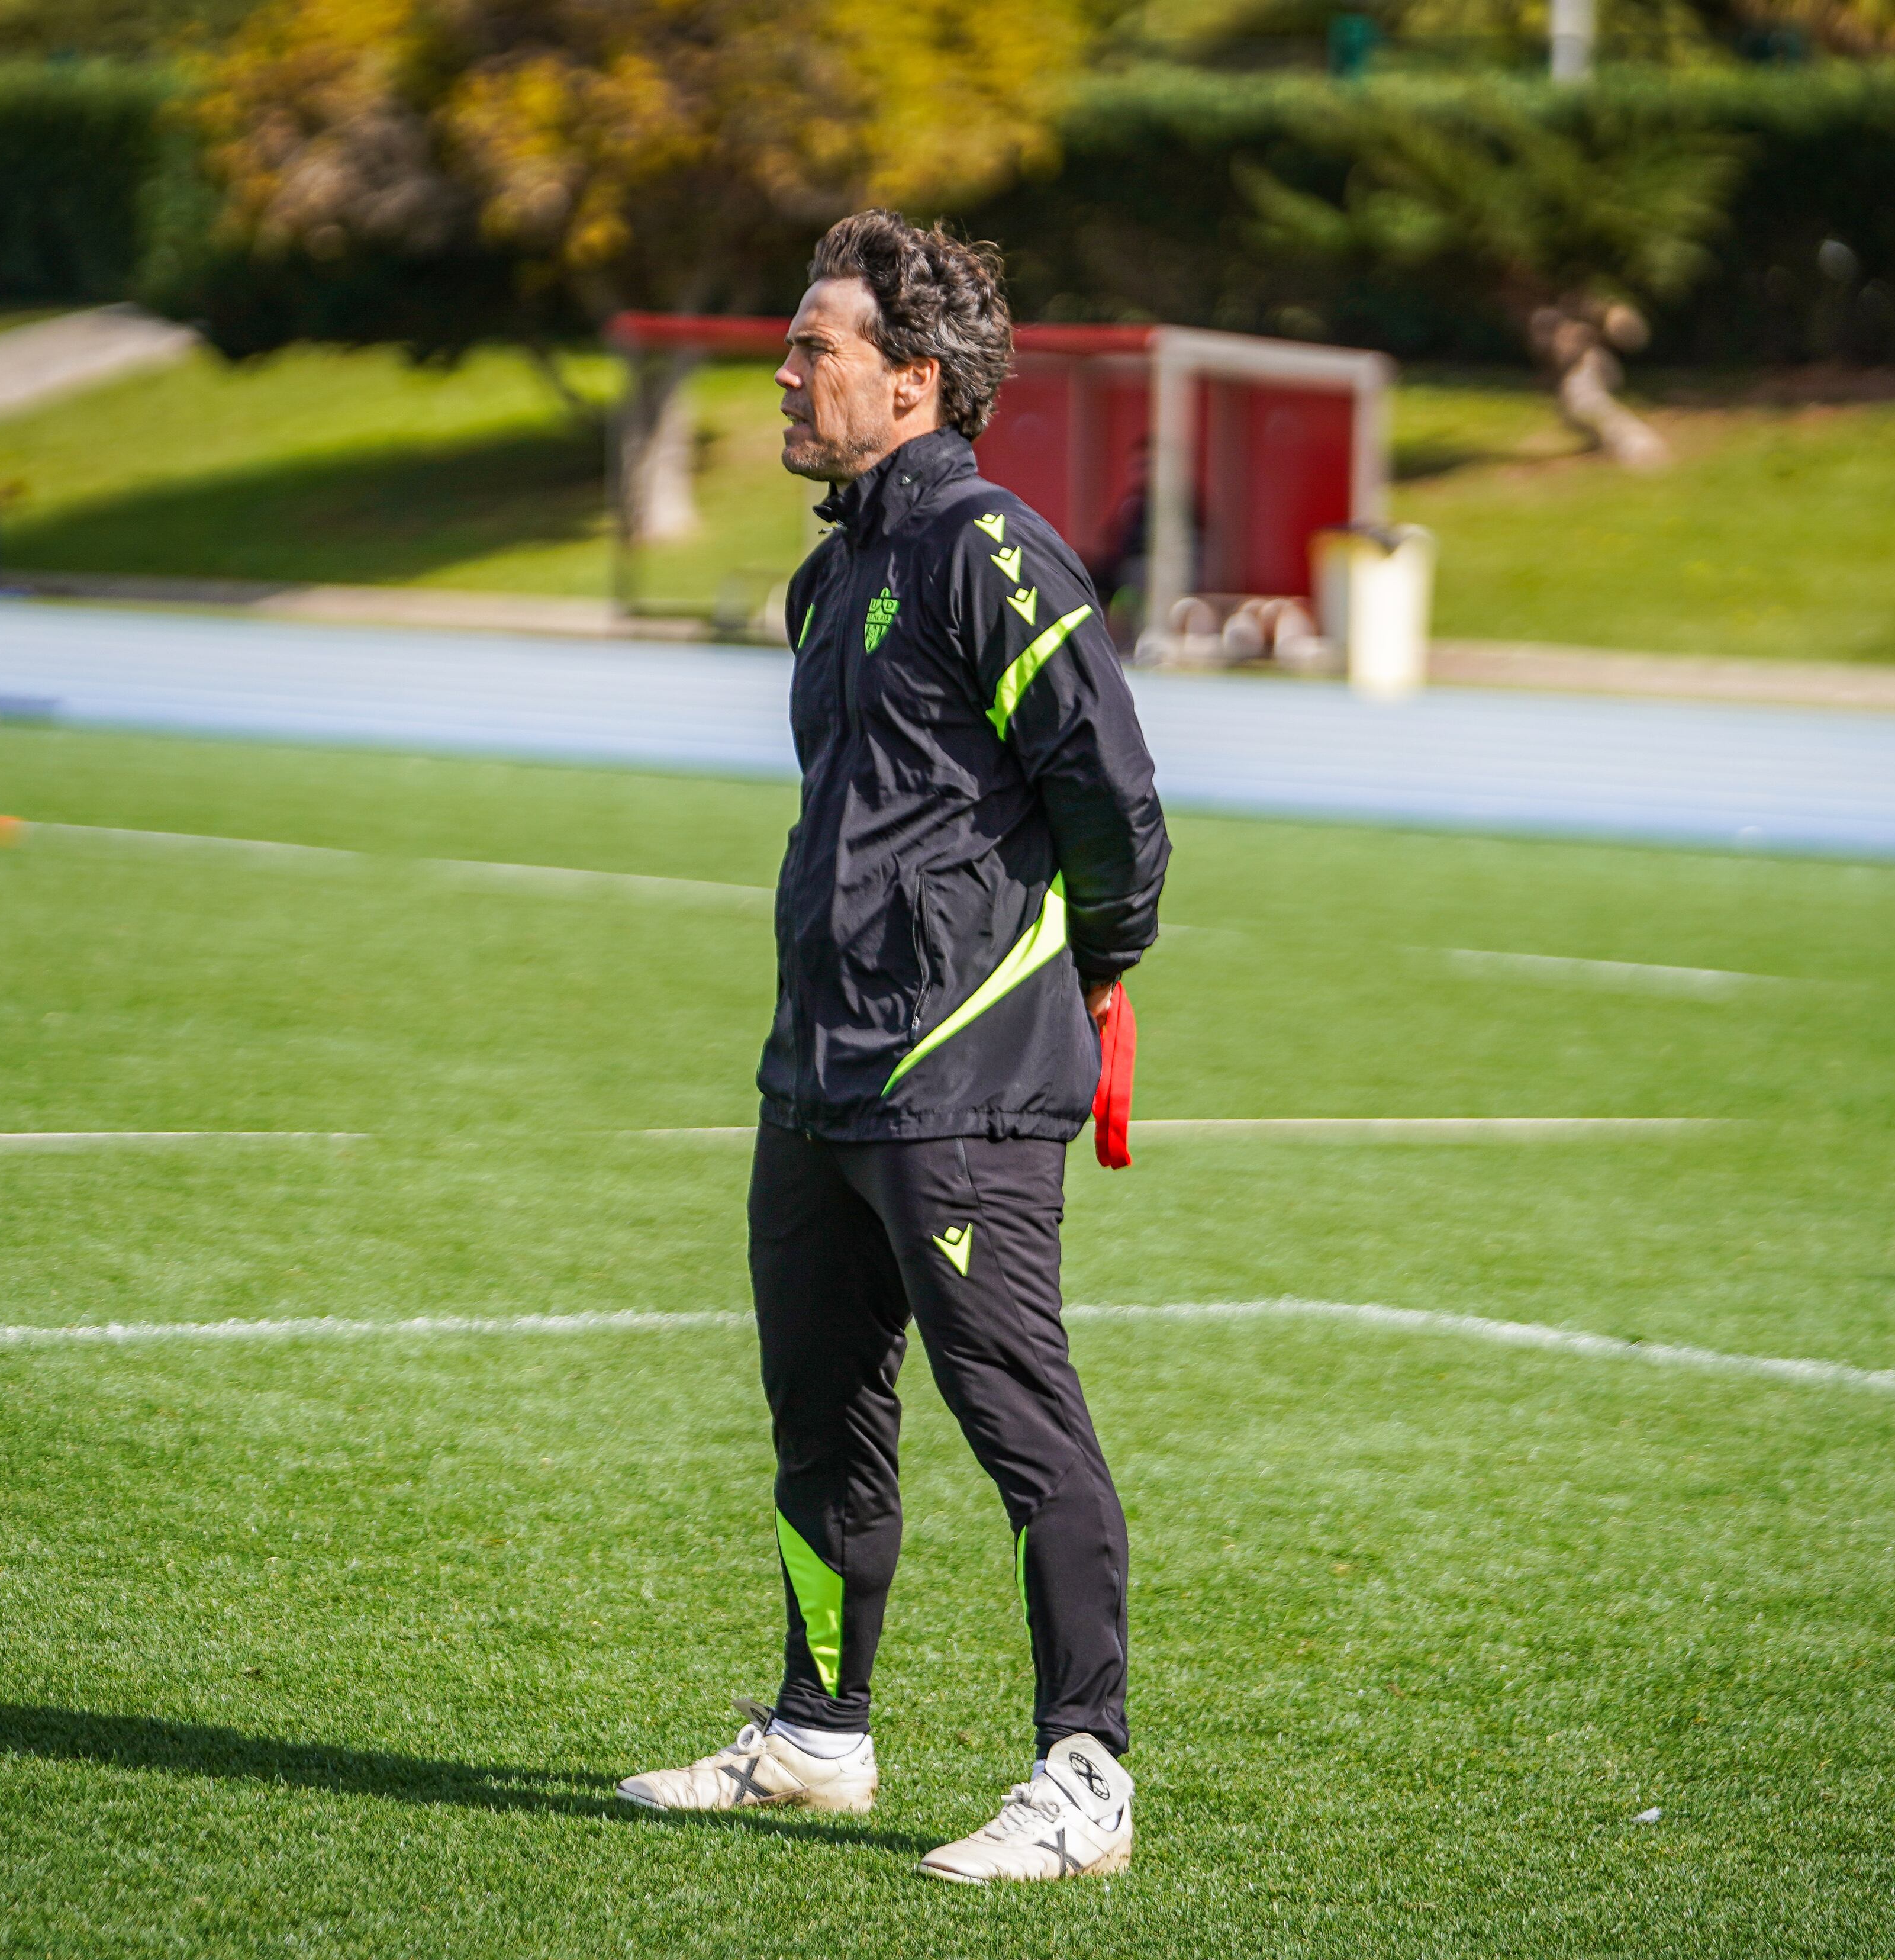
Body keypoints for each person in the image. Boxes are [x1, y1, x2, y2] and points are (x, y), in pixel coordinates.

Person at [615, 211, 1168, 1884]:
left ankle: (1087, 1770)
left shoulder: (995, 552)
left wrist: (1073, 973)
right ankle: (817, 1732)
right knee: (819, 1413)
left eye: (815, 348)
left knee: (1018, 1416)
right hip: (820, 1071)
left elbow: (1117, 812)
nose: (785, 371)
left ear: (913, 380)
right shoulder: (831, 566)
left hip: (963, 1078)